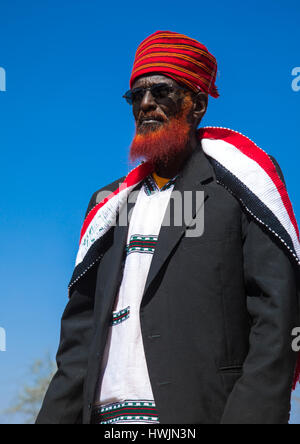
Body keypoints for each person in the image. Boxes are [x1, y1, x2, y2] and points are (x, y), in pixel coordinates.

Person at [36, 30, 300, 425]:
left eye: (162, 91)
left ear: (196, 106)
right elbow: (78, 341)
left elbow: (278, 316)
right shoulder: (110, 205)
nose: (145, 104)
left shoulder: (241, 184)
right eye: (135, 96)